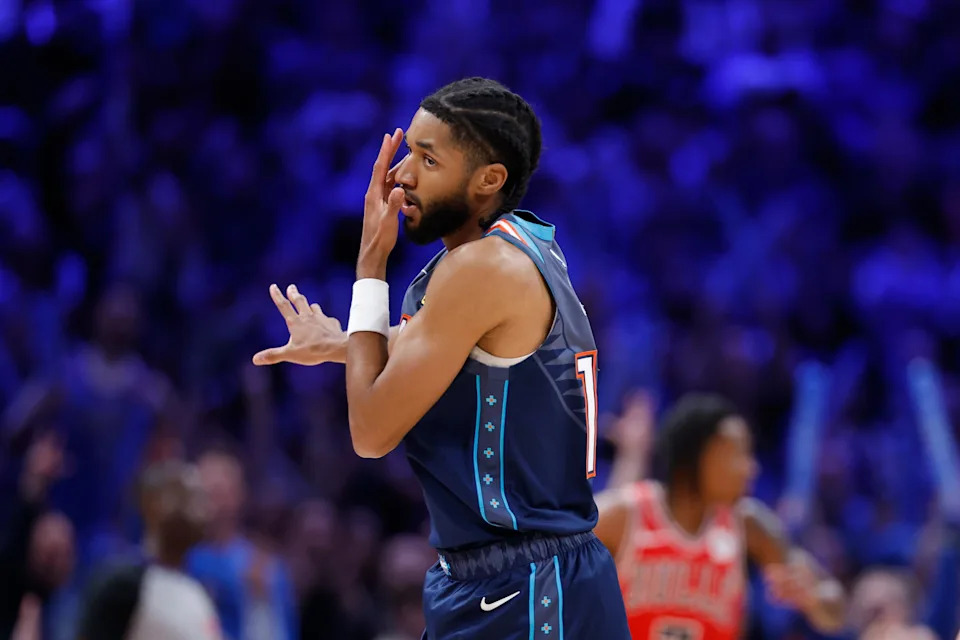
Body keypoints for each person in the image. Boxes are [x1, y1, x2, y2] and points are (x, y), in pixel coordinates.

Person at [253, 77, 631, 638]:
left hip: (530, 588)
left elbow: (371, 431)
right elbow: (434, 347)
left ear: (489, 180)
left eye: (427, 160)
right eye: (408, 153)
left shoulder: (479, 269)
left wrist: (369, 263)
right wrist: (339, 344)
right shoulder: (525, 245)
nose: (400, 175)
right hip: (500, 577)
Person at [593, 393, 847, 639]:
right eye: (737, 453)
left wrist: (814, 599)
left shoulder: (749, 524)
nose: (751, 468)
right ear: (697, 457)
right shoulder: (624, 514)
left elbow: (835, 612)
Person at [76, 459, 220, 640]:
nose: (203, 510)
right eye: (186, 497)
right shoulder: (123, 584)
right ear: (153, 503)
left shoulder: (197, 592)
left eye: (202, 499)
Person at [186, 450, 298, 640]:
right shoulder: (177, 558)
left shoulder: (262, 567)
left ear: (238, 496)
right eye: (199, 493)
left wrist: (259, 602)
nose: (207, 504)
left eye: (216, 493)